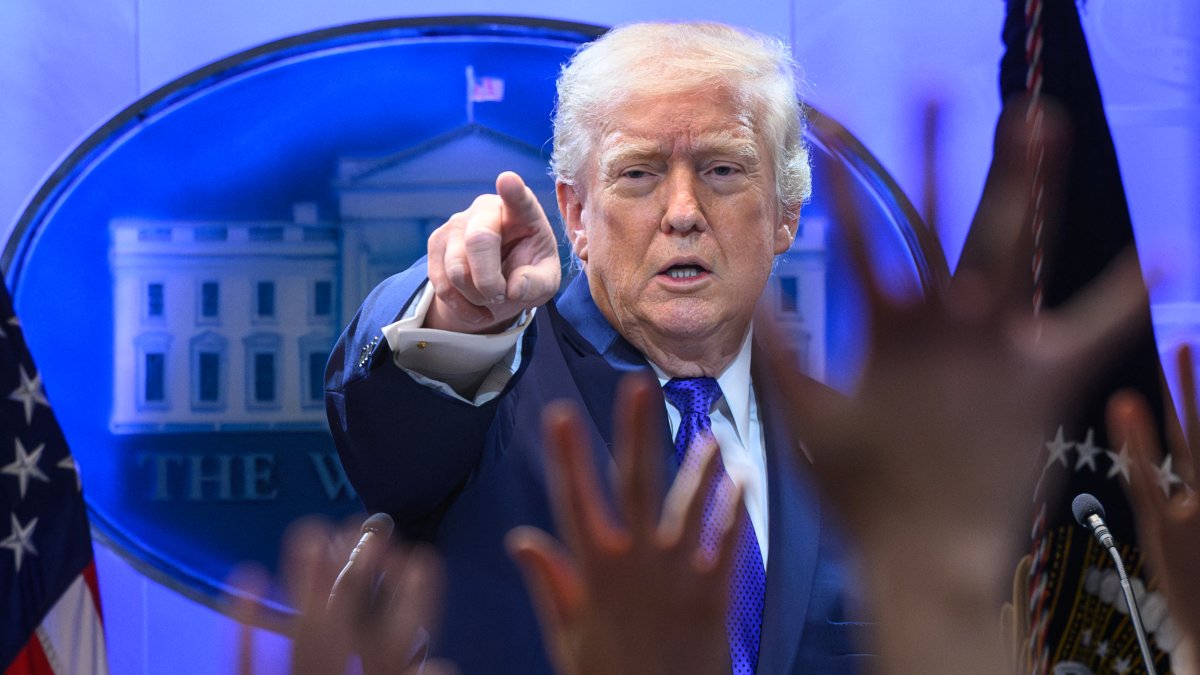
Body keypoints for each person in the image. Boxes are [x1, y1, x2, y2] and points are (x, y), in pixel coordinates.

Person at [325, 21, 869, 674]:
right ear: (576, 214)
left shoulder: (855, 451)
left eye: (722, 170)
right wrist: (454, 312)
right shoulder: (495, 395)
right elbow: (391, 415)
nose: (683, 210)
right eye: (639, 173)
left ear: (786, 212)